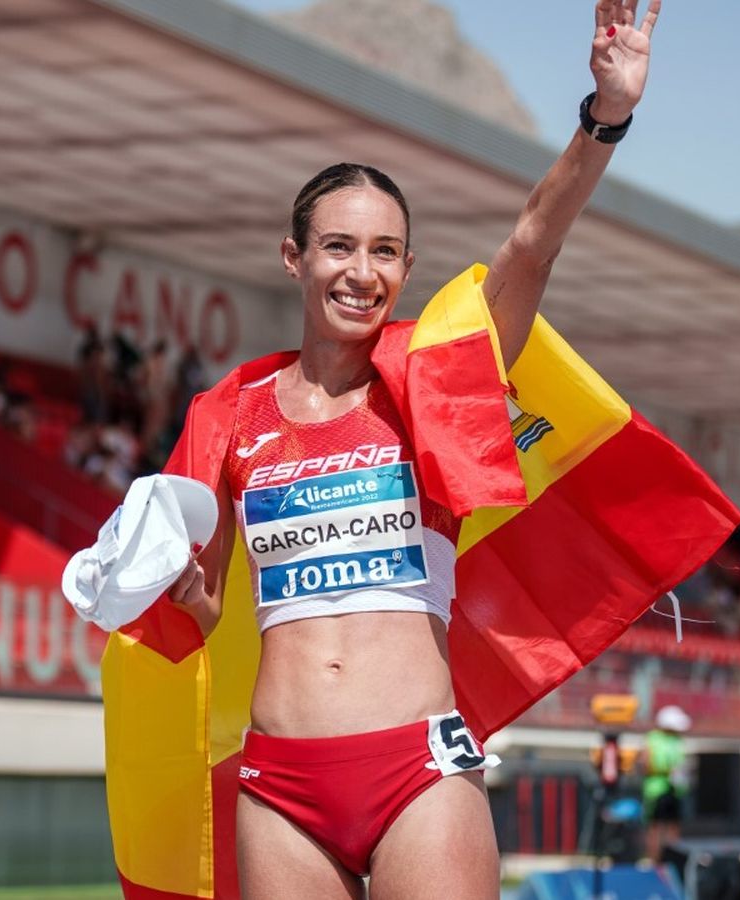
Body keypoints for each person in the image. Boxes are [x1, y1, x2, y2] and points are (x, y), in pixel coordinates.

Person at [154, 3, 668, 894]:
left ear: (407, 265)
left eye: (386, 252)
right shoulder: (228, 414)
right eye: (340, 247)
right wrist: (174, 596)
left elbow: (530, 247)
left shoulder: (438, 378)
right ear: (294, 257)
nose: (364, 272)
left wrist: (605, 115)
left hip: (418, 773)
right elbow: (208, 625)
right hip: (278, 784)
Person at [639, 704, 690, 865]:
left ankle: (672, 862)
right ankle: (654, 862)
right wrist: (666, 770)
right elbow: (646, 764)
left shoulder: (677, 741)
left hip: (675, 790)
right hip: (657, 791)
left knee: (673, 826)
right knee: (655, 826)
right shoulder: (653, 739)